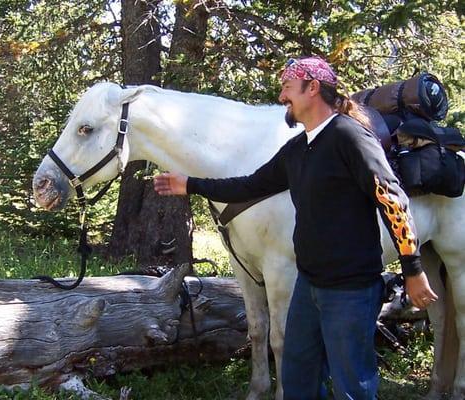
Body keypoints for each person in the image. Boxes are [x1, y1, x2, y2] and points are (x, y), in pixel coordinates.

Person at [153, 56, 438, 400]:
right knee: (299, 379)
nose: (281, 97)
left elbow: (393, 199)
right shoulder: (299, 148)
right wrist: (190, 185)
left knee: (353, 387)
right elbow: (249, 185)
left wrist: (413, 269)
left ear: (312, 87)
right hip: (309, 286)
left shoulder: (350, 136)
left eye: (288, 87)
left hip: (350, 290)